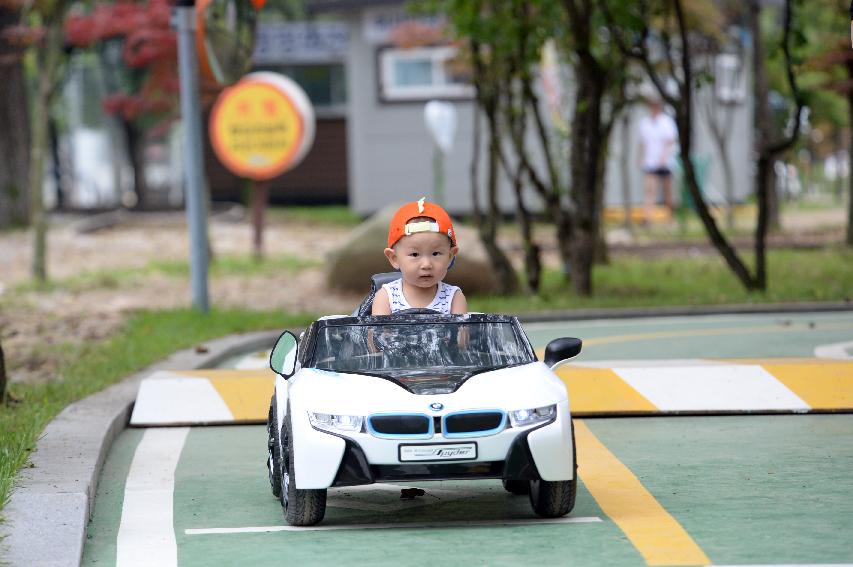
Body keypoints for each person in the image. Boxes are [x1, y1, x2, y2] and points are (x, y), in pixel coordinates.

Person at [371, 197, 467, 315]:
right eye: (415, 254)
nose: (426, 264)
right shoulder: (386, 297)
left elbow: (461, 333)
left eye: (435, 253)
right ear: (394, 258)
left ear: (450, 256)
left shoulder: (453, 298)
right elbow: (377, 333)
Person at [637, 96, 678, 224]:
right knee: (649, 190)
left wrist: (664, 157)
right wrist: (640, 158)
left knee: (667, 192)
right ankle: (647, 218)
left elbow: (671, 141)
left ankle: (670, 218)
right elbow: (642, 143)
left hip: (665, 163)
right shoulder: (645, 123)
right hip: (650, 162)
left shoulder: (666, 122)